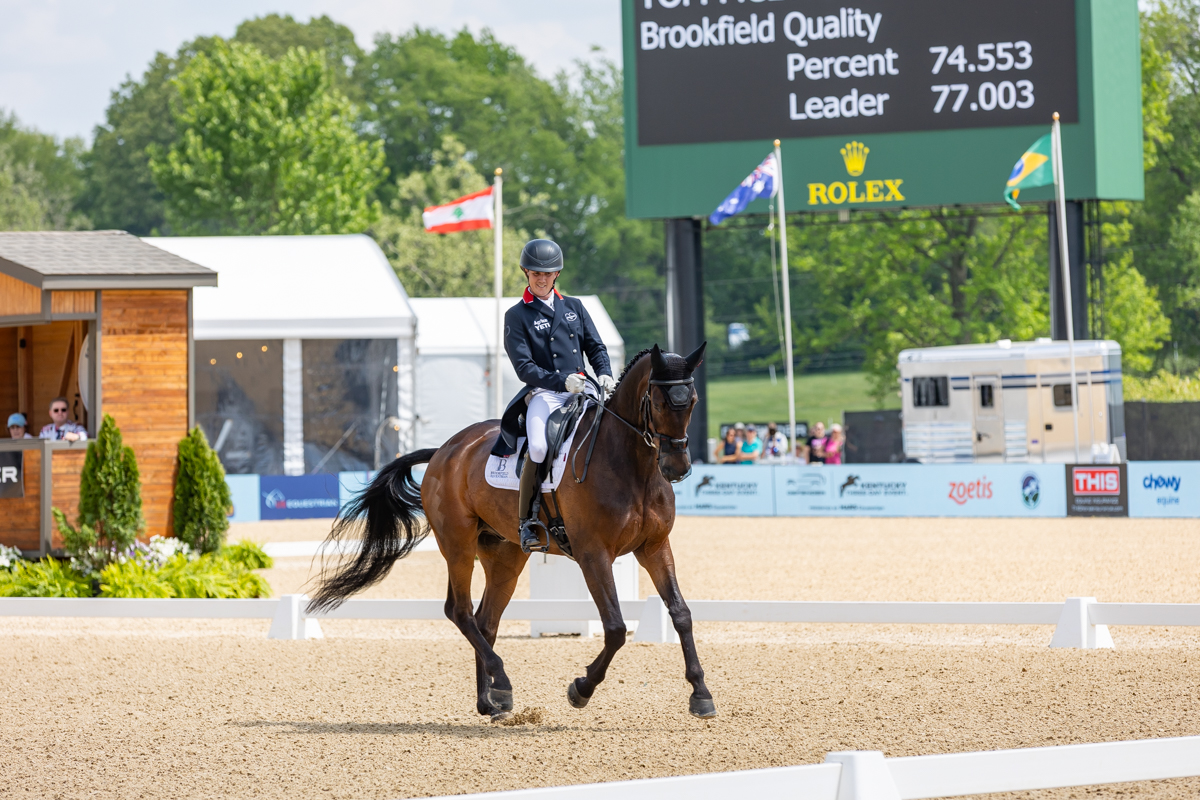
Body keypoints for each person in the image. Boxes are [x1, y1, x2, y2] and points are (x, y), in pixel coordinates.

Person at [502, 239, 615, 553]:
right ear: (526, 272)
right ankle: (527, 521)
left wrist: (603, 371)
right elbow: (524, 367)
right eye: (536, 273)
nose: (542, 279)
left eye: (548, 273)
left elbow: (595, 346)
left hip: (584, 387)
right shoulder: (517, 315)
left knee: (615, 429)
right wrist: (560, 381)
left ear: (557, 275)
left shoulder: (574, 306)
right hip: (546, 393)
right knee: (538, 447)